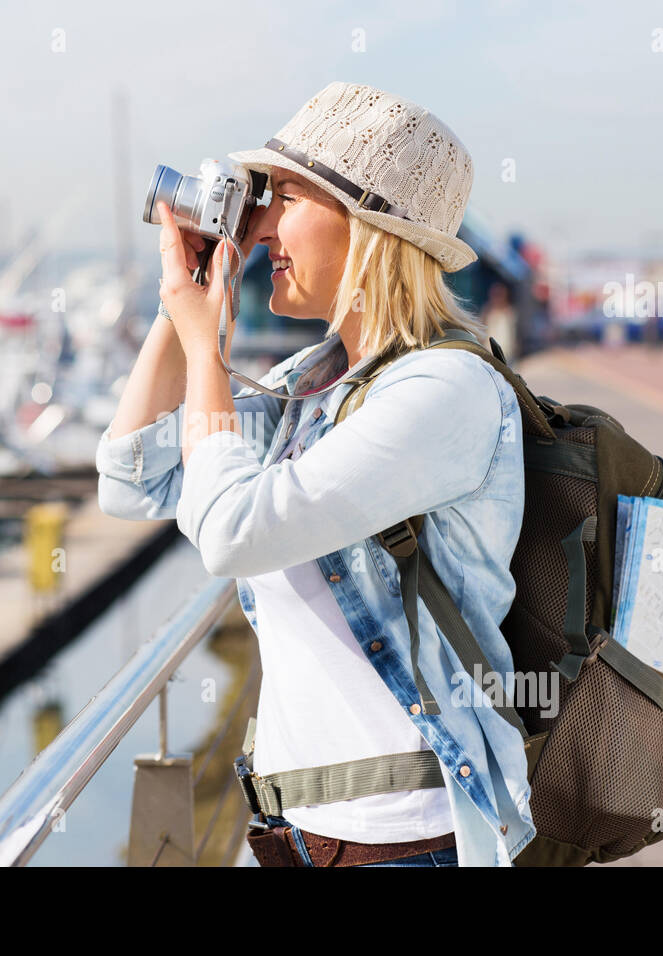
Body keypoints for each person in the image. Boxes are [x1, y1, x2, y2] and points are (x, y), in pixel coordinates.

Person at [96, 82, 532, 866]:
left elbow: (231, 531)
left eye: (286, 198)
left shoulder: (445, 392)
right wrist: (183, 308)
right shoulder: (315, 381)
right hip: (294, 839)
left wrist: (207, 349)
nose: (263, 232)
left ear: (367, 226)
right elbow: (135, 479)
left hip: (401, 845)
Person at [481, 282, 519, 365]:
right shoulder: (487, 311)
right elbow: (482, 331)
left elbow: (515, 333)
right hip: (490, 353)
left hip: (508, 353)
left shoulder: (510, 311)